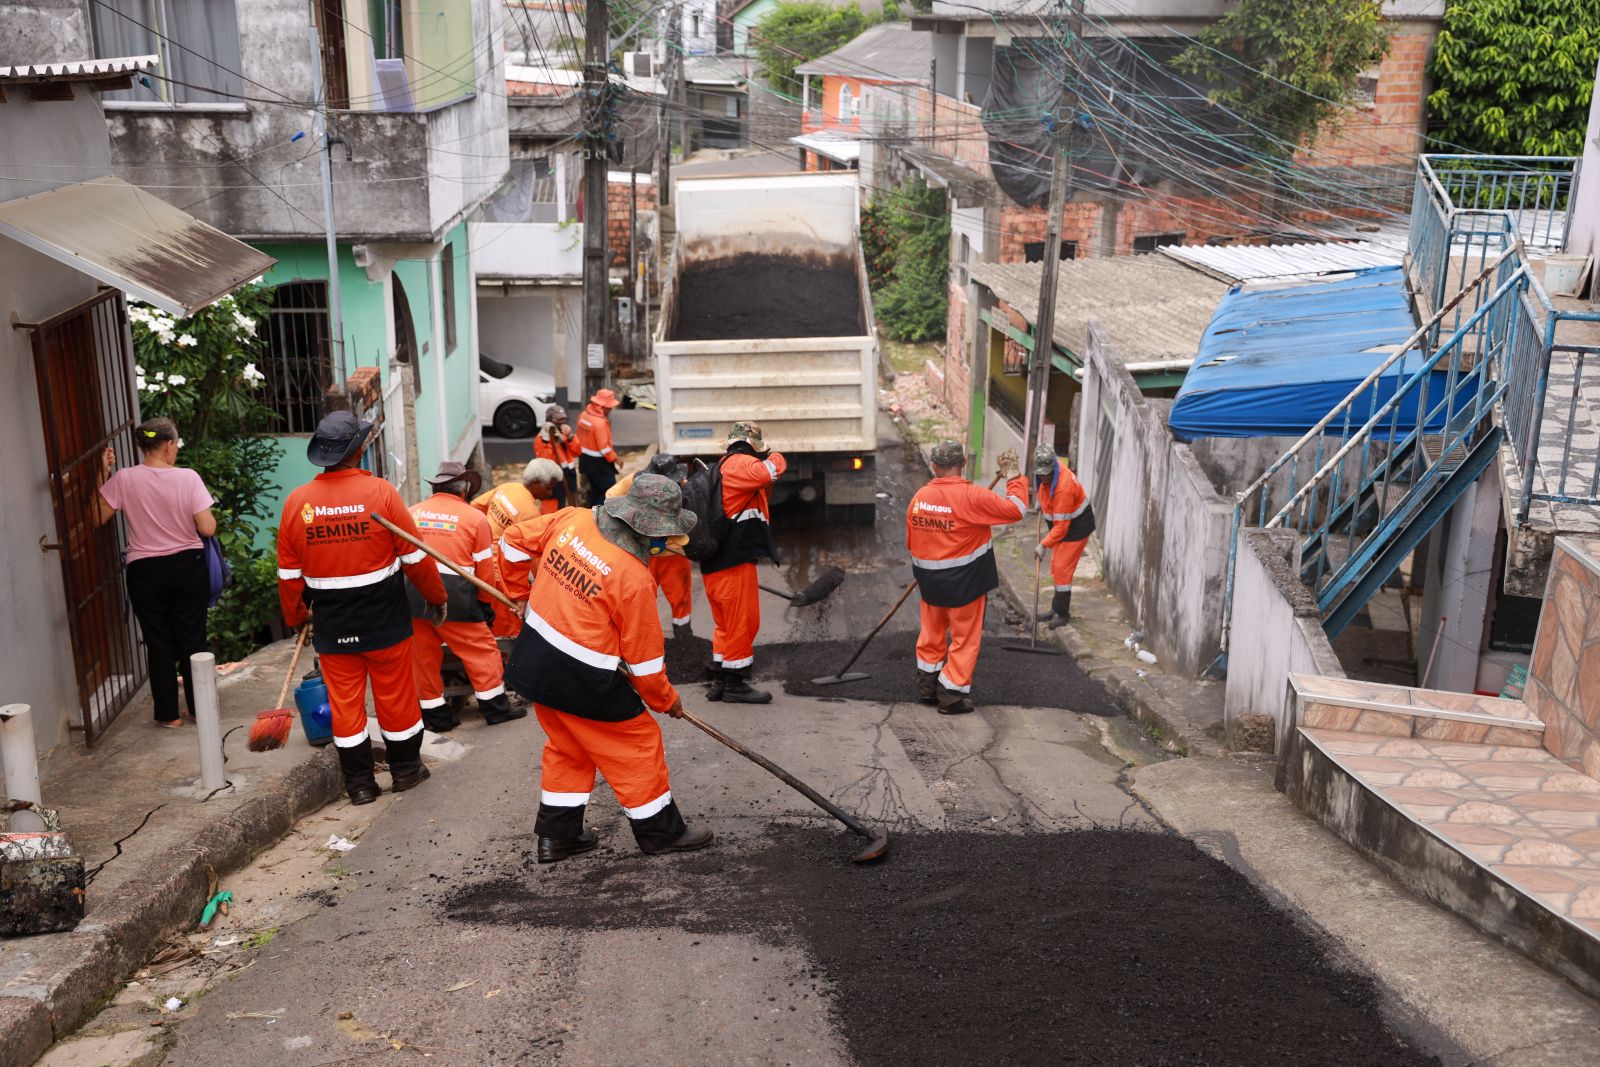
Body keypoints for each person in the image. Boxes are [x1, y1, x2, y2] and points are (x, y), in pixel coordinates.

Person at [498, 474, 713, 863]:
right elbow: (645, 665)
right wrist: (667, 701)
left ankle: (557, 837)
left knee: (568, 749)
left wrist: (519, 595)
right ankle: (660, 833)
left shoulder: (574, 519)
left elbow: (512, 541)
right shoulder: (634, 578)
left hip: (535, 661)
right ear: (648, 529)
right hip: (581, 678)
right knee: (637, 742)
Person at [277, 411, 447, 804]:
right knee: (397, 699)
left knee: (346, 708)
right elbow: (416, 559)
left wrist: (297, 618)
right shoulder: (380, 494)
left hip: (334, 626)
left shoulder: (297, 503)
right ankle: (406, 771)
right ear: (358, 450)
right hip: (385, 622)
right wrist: (437, 597)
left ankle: (359, 786)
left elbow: (288, 577)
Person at [94, 417, 217, 728]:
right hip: (187, 566)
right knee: (192, 638)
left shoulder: (124, 478)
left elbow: (97, 517)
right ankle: (199, 708)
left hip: (145, 570)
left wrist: (102, 474)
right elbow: (207, 527)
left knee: (158, 639)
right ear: (169, 445)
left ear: (142, 446)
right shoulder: (188, 478)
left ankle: (168, 714)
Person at [905, 441, 1028, 715]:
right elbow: (1017, 509)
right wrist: (1014, 476)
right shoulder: (973, 497)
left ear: (934, 466)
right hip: (966, 586)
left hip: (930, 584)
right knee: (964, 639)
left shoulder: (919, 498)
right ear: (962, 464)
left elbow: (911, 542)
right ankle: (951, 696)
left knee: (931, 634)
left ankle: (927, 688)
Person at [408, 462, 525, 732]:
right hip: (454, 595)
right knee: (481, 651)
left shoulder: (412, 513)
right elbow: (485, 570)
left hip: (413, 591)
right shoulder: (474, 518)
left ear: (435, 487)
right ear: (464, 489)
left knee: (422, 657)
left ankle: (435, 716)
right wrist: (485, 603)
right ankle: (495, 707)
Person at [699, 422, 785, 704]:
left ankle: (720, 679)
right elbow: (770, 471)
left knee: (725, 624)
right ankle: (736, 685)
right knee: (742, 623)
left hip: (717, 561)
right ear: (753, 446)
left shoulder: (722, 466)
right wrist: (774, 456)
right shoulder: (740, 464)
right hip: (733, 561)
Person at [471, 458, 564, 637]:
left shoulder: (507, 488)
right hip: (501, 576)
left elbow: (475, 507)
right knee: (508, 628)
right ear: (535, 483)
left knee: (491, 619)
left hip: (481, 565)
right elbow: (535, 558)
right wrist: (545, 585)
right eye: (548, 487)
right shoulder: (530, 513)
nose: (550, 493)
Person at [606, 454, 696, 639]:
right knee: (639, 598)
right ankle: (639, 638)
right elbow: (610, 497)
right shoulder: (635, 482)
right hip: (642, 554)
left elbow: (691, 514)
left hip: (672, 554)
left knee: (680, 599)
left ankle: (684, 639)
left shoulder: (682, 487)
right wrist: (632, 524)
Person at [1032, 444, 1095, 629]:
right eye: (1040, 474)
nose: (1043, 477)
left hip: (1076, 528)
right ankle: (1056, 608)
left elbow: (1061, 527)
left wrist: (1043, 544)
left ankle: (1062, 613)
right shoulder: (1047, 471)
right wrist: (1041, 501)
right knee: (1056, 566)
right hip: (1063, 526)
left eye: (1046, 474)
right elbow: (1045, 488)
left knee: (1061, 568)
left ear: (1053, 467)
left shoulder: (1064, 487)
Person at [575, 388, 623, 504]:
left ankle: (591, 511)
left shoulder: (583, 415)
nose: (611, 409)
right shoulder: (599, 423)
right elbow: (604, 447)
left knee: (595, 490)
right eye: (609, 407)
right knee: (609, 492)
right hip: (599, 464)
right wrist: (616, 458)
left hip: (585, 460)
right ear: (602, 406)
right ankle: (601, 513)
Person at [535, 403, 578, 505]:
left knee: (571, 504)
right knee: (554, 507)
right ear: (549, 420)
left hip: (568, 473)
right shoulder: (541, 439)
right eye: (558, 420)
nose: (561, 422)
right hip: (554, 478)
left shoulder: (564, 433)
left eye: (563, 419)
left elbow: (577, 452)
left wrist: (570, 437)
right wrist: (547, 441)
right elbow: (545, 460)